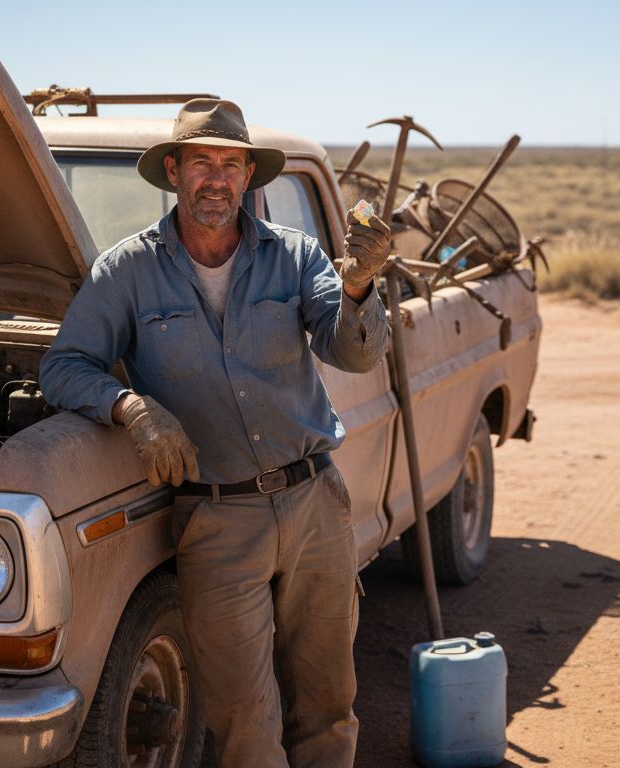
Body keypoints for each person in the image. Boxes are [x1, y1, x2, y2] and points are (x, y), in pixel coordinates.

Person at [39, 98, 391, 767]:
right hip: (216, 517)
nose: (217, 178)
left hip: (315, 501)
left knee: (328, 705)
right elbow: (63, 366)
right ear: (173, 170)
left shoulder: (296, 257)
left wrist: (357, 291)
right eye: (203, 161)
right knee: (245, 726)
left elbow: (352, 352)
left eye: (231, 164)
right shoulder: (128, 271)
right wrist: (130, 408)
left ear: (248, 177)